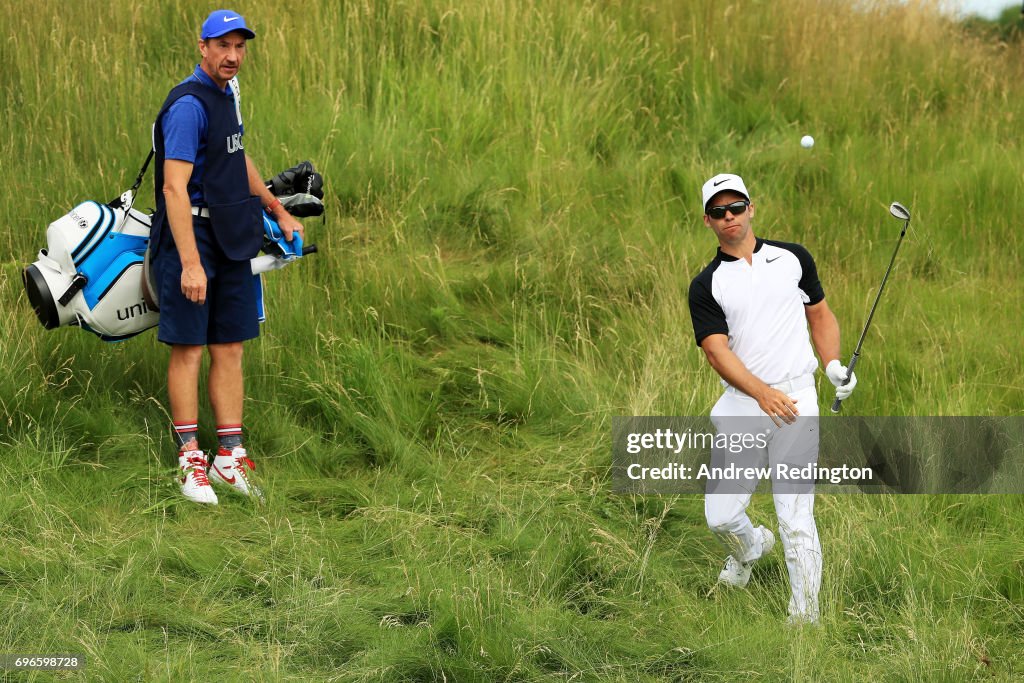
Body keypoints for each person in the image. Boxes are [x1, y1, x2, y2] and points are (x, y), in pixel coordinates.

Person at [687, 173, 857, 625]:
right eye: (719, 212)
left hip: (798, 400)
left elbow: (820, 314)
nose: (730, 217)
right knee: (721, 516)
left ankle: (805, 619)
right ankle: (752, 547)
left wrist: (833, 364)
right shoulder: (706, 285)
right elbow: (716, 352)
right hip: (744, 405)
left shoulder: (792, 258)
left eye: (736, 207)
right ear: (708, 221)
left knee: (797, 517)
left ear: (751, 208)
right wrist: (761, 393)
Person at [150, 9, 303, 504]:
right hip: (190, 235)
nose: (232, 56)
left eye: (240, 47)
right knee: (189, 348)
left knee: (231, 346)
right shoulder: (189, 106)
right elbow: (174, 188)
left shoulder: (228, 96)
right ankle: (189, 458)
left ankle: (228, 459)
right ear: (203, 47)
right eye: (223, 46)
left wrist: (277, 210)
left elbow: (239, 158)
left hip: (232, 234)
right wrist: (191, 263)